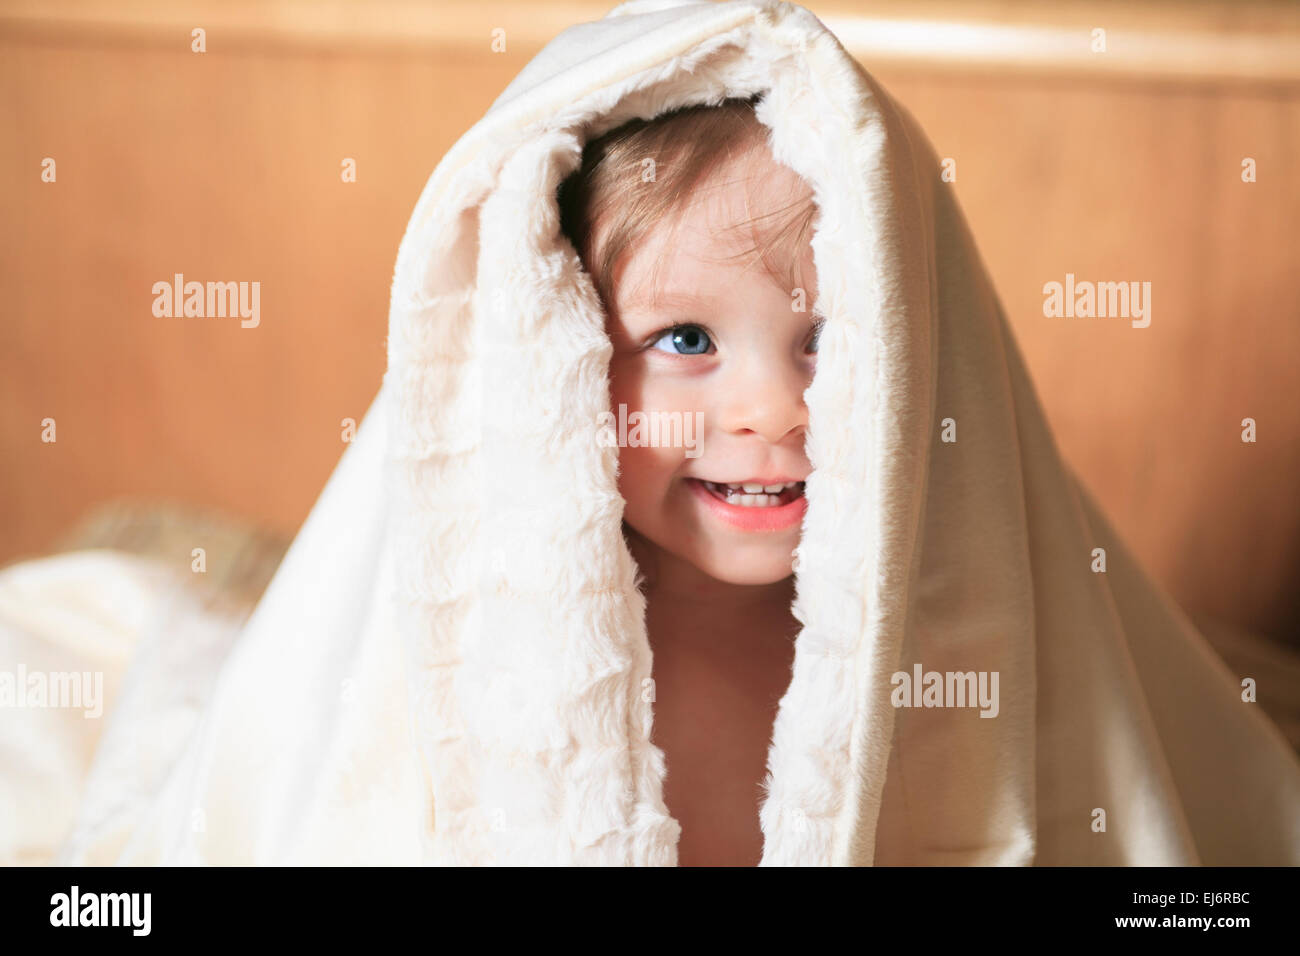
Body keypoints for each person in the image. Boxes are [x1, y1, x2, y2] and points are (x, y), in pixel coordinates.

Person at [3, 0, 1298, 866]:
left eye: (832, 341)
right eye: (685, 340)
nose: (773, 412)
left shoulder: (976, 621)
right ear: (549, 359)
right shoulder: (470, 646)